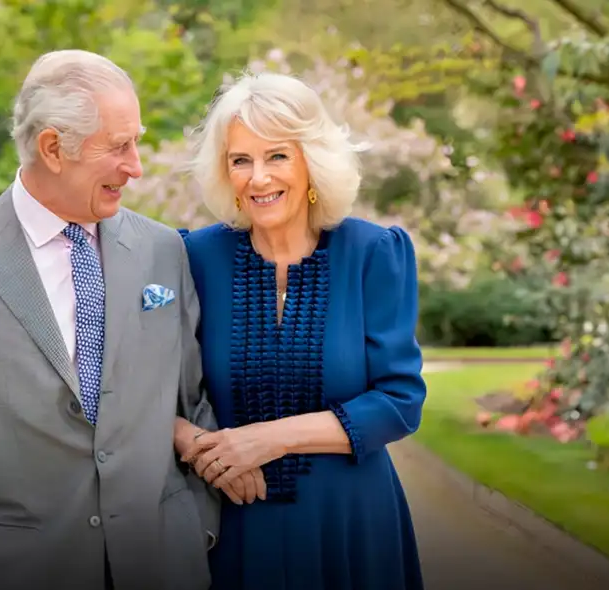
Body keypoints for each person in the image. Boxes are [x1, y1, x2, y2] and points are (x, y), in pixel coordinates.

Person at [0, 50, 221, 590]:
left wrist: (196, 530)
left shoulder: (164, 251)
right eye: (119, 146)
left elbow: (192, 401)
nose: (136, 166)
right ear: (52, 148)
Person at [174, 71, 428, 590]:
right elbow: (143, 389)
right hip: (237, 529)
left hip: (353, 530)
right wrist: (200, 444)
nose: (258, 178)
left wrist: (265, 440)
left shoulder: (374, 252)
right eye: (240, 160)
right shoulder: (192, 258)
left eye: (277, 156)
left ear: (312, 162)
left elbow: (400, 401)